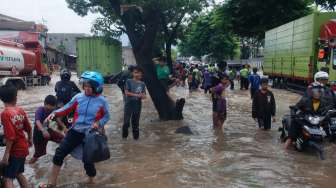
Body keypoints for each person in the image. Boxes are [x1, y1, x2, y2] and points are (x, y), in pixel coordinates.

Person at [39, 71, 110, 188]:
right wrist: (54, 113)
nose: (86, 88)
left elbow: (107, 116)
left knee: (88, 160)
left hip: (90, 134)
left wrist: (99, 123)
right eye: (85, 85)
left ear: (97, 87)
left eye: (89, 86)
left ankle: (92, 181)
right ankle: (51, 184)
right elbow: (66, 108)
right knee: (59, 154)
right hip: (75, 131)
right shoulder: (78, 97)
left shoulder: (102, 101)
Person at [0, 85, 32, 188]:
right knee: (18, 173)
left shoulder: (5, 113)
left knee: (8, 177)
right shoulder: (20, 110)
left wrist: (6, 155)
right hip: (24, 147)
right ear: (16, 97)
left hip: (15, 150)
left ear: (1, 99)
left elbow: (11, 136)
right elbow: (29, 128)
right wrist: (30, 140)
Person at [284, 82, 333, 149]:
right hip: (303, 121)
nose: (318, 93)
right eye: (316, 91)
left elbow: (325, 111)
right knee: (291, 136)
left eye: (320, 91)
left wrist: (327, 115)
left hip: (316, 122)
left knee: (327, 131)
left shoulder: (323, 102)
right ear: (311, 92)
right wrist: (294, 115)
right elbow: (295, 108)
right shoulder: (305, 101)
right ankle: (285, 148)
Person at [29, 95, 64, 164]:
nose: (50, 109)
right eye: (48, 108)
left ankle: (61, 156)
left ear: (54, 106)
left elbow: (56, 119)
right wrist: (43, 130)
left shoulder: (53, 110)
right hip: (38, 134)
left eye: (52, 107)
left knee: (63, 139)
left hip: (48, 131)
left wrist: (64, 128)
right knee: (39, 154)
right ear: (44, 104)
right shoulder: (40, 110)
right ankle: (28, 164)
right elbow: (37, 121)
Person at [122, 66, 146, 140]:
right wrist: (137, 95)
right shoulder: (129, 81)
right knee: (126, 122)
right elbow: (126, 92)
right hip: (129, 104)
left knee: (135, 123)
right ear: (132, 73)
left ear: (141, 74)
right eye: (135, 72)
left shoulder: (142, 84)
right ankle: (124, 138)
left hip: (137, 105)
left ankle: (136, 140)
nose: (137, 74)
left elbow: (144, 95)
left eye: (139, 73)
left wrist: (143, 96)